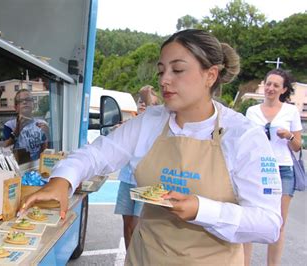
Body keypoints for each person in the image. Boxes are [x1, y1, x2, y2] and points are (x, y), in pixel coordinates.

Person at [21, 29, 282, 265]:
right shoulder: (151, 121)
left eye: (177, 70)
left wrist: (201, 210)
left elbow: (268, 224)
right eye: (161, 71)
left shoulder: (244, 137)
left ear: (210, 75)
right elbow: (97, 153)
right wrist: (62, 180)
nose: (164, 80)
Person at [244, 69, 302, 266]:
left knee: (279, 223)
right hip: (256, 170)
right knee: (249, 220)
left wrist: (289, 136)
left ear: (283, 89)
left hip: (282, 170)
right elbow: (244, 143)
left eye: (276, 85)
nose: (270, 88)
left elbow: (297, 146)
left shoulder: (291, 111)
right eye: (268, 84)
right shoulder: (251, 112)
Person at [115, 85, 159, 249]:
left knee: (138, 225)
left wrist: (148, 97)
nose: (143, 104)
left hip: (146, 183)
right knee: (127, 225)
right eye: (141, 101)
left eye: (148, 103)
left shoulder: (159, 127)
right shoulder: (129, 125)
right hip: (127, 179)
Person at [3, 89, 49, 162]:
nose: (25, 102)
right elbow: (5, 149)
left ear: (33, 105)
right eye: (21, 101)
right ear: (16, 107)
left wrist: (46, 135)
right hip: (20, 167)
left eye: (28, 99)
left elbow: (46, 151)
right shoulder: (10, 125)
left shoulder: (41, 124)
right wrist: (16, 131)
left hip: (37, 165)